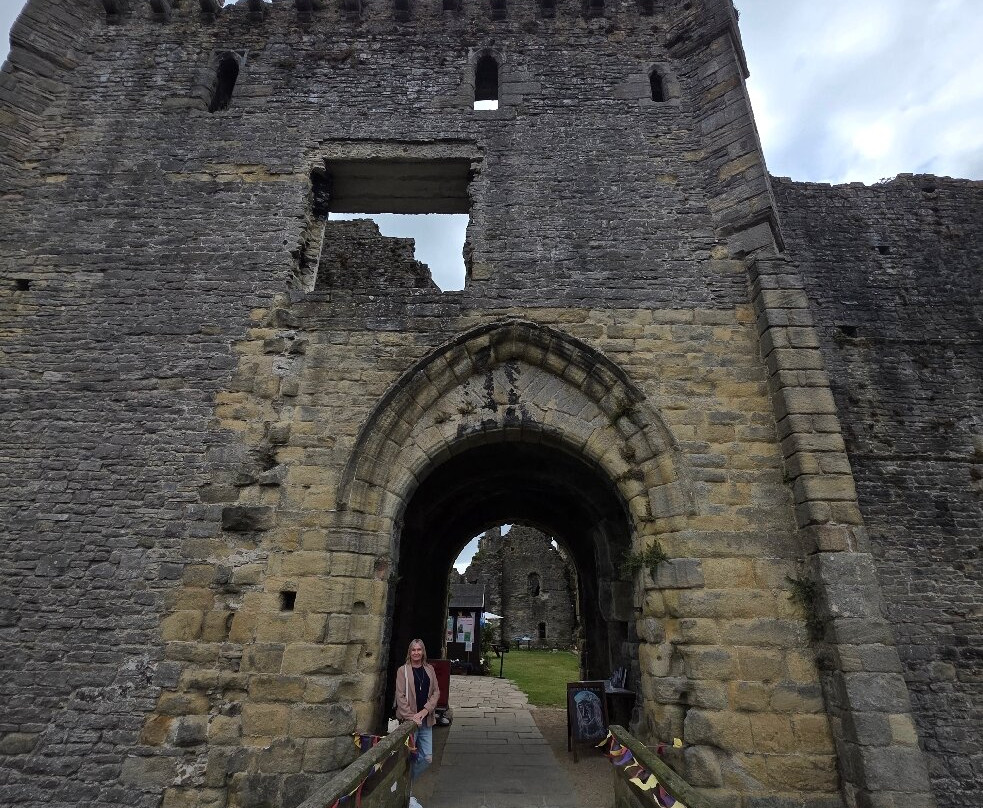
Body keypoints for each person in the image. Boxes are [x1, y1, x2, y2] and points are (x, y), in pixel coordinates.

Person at [394, 638, 440, 806]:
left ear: (423, 651)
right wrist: (412, 716)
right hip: (410, 723)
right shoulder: (402, 671)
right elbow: (400, 696)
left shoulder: (429, 669)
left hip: (426, 720)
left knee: (426, 758)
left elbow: (436, 692)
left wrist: (424, 711)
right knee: (409, 757)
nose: (416, 653)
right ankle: (408, 791)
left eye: (419, 649)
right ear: (409, 652)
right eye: (413, 650)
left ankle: (406, 785)